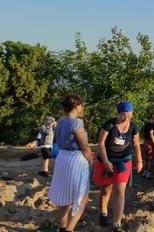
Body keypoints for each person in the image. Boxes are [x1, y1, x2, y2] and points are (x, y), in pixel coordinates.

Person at [93, 101, 143, 232]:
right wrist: (105, 161)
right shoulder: (109, 125)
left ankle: (117, 224)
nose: (126, 118)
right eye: (123, 115)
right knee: (105, 190)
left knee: (120, 191)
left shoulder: (133, 126)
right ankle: (103, 212)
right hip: (107, 159)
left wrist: (139, 160)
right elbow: (101, 144)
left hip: (124, 161)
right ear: (118, 113)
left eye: (129, 115)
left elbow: (136, 144)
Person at [47, 95, 93, 232]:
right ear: (77, 106)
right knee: (82, 196)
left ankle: (62, 228)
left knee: (64, 196)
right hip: (75, 159)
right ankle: (69, 229)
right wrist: (90, 160)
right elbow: (84, 146)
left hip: (62, 158)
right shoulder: (76, 123)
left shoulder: (60, 121)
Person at [142, 112, 154, 179]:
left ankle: (145, 171)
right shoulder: (151, 125)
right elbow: (151, 133)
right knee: (150, 158)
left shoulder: (146, 124)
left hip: (145, 142)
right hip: (150, 143)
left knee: (145, 158)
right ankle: (148, 173)